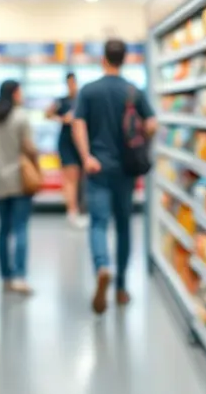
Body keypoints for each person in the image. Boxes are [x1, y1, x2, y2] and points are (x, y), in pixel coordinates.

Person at [72, 39, 156, 314]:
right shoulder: (133, 91)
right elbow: (153, 124)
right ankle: (120, 287)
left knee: (98, 223)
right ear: (125, 59)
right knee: (123, 226)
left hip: (98, 168)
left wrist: (86, 157)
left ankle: (102, 266)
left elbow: (78, 124)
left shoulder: (89, 91)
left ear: (103, 59)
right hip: (126, 171)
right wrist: (140, 139)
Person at [0, 79, 40, 295]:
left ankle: (5, 277)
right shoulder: (21, 118)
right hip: (19, 181)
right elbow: (30, 148)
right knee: (21, 227)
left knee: (3, 230)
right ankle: (20, 276)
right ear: (15, 94)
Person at [46, 72, 87, 228]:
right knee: (70, 177)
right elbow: (47, 114)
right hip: (67, 142)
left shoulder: (82, 100)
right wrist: (62, 119)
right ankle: (72, 211)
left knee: (82, 179)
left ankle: (81, 209)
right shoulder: (61, 101)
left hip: (80, 142)